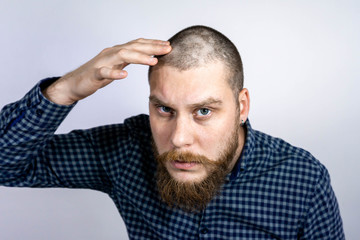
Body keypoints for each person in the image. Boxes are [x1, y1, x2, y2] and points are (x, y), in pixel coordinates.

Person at [0, 25, 344, 239]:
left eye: (203, 111)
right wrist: (65, 91)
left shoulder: (303, 180)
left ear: (242, 106)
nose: (179, 138)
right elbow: (6, 164)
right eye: (165, 109)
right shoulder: (126, 150)